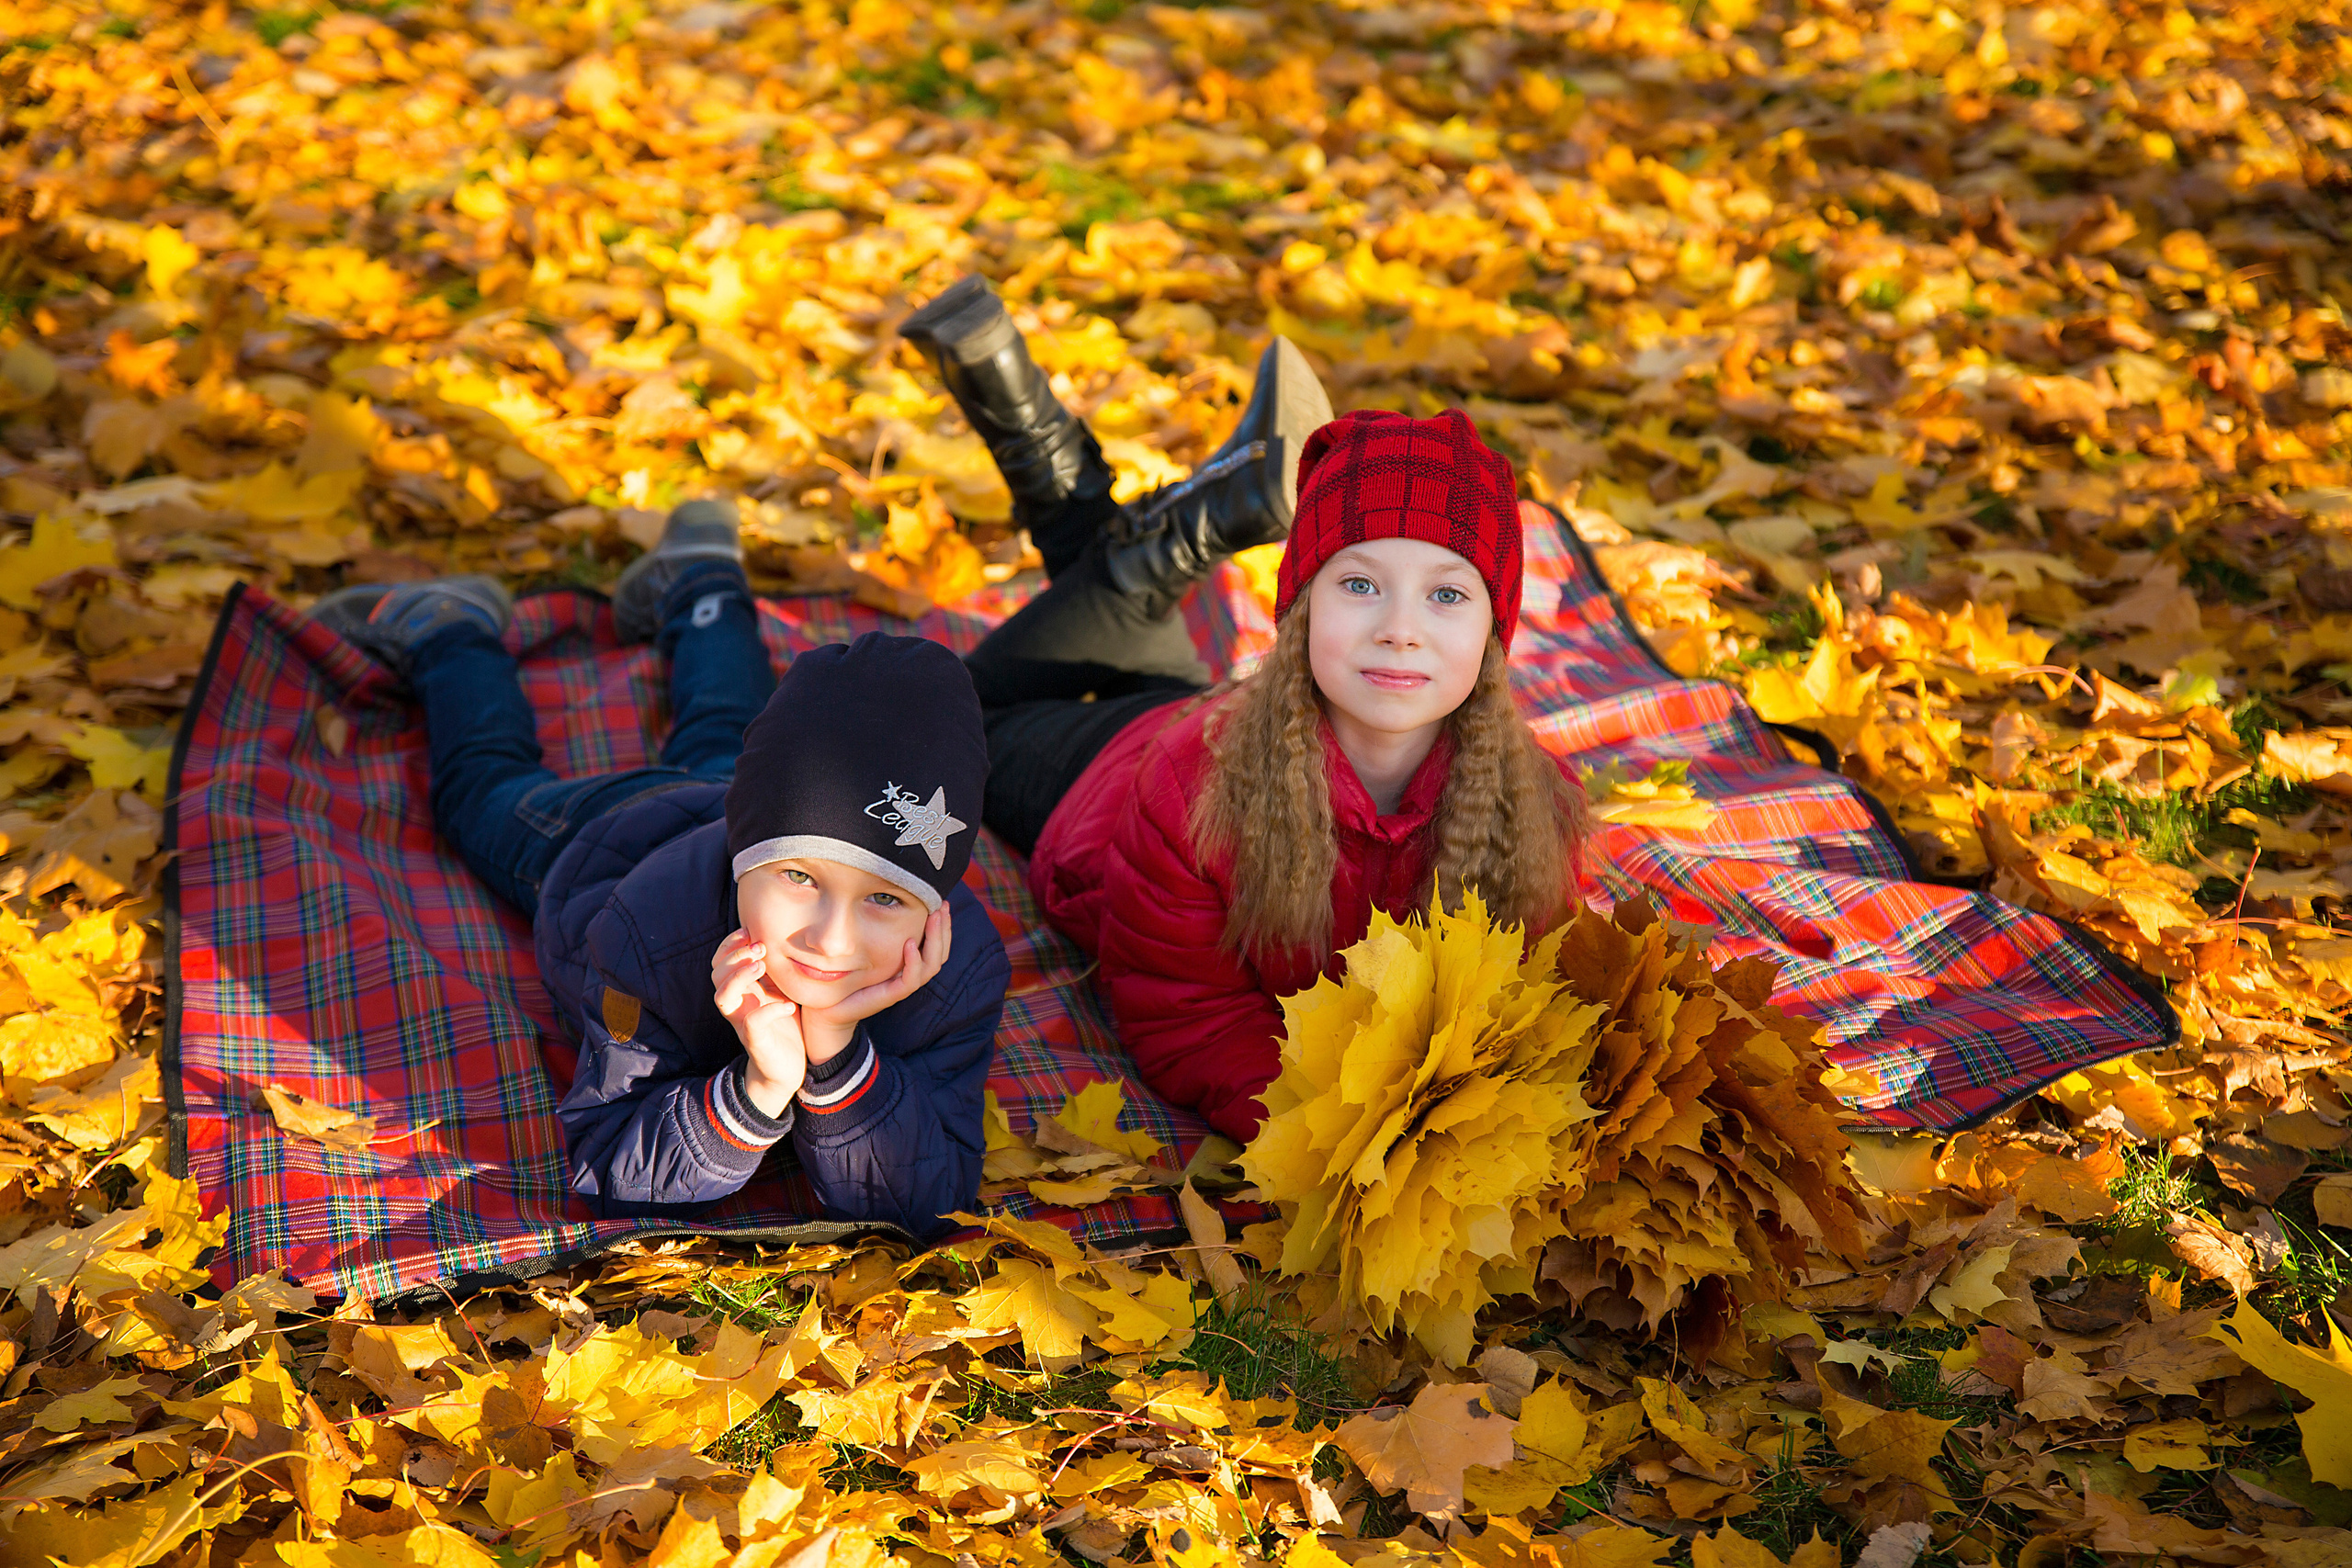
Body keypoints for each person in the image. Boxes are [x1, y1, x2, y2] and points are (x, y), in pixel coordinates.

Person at [899, 276, 1590, 1144]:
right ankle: (1177, 529)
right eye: (1361, 583)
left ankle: (1179, 524)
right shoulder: (1197, 794)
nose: (1401, 630)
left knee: (1088, 605)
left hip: (1191, 704)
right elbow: (1184, 1010)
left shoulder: (1534, 812)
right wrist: (1322, 1128)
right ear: (1299, 608)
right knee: (954, 715)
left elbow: (1537, 1009)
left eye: (1448, 595)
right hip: (1104, 769)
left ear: (1498, 632)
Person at [311, 513, 1008, 1239]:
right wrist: (757, 1090)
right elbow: (610, 1160)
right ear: (751, 852)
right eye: (801, 878)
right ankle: (450, 631)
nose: (832, 942)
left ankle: (702, 577)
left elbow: (930, 1199)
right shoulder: (646, 937)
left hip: (737, 808)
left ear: (933, 905)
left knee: (722, 724)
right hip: (607, 834)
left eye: (886, 896)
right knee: (480, 790)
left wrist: (832, 1048)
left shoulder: (959, 972)